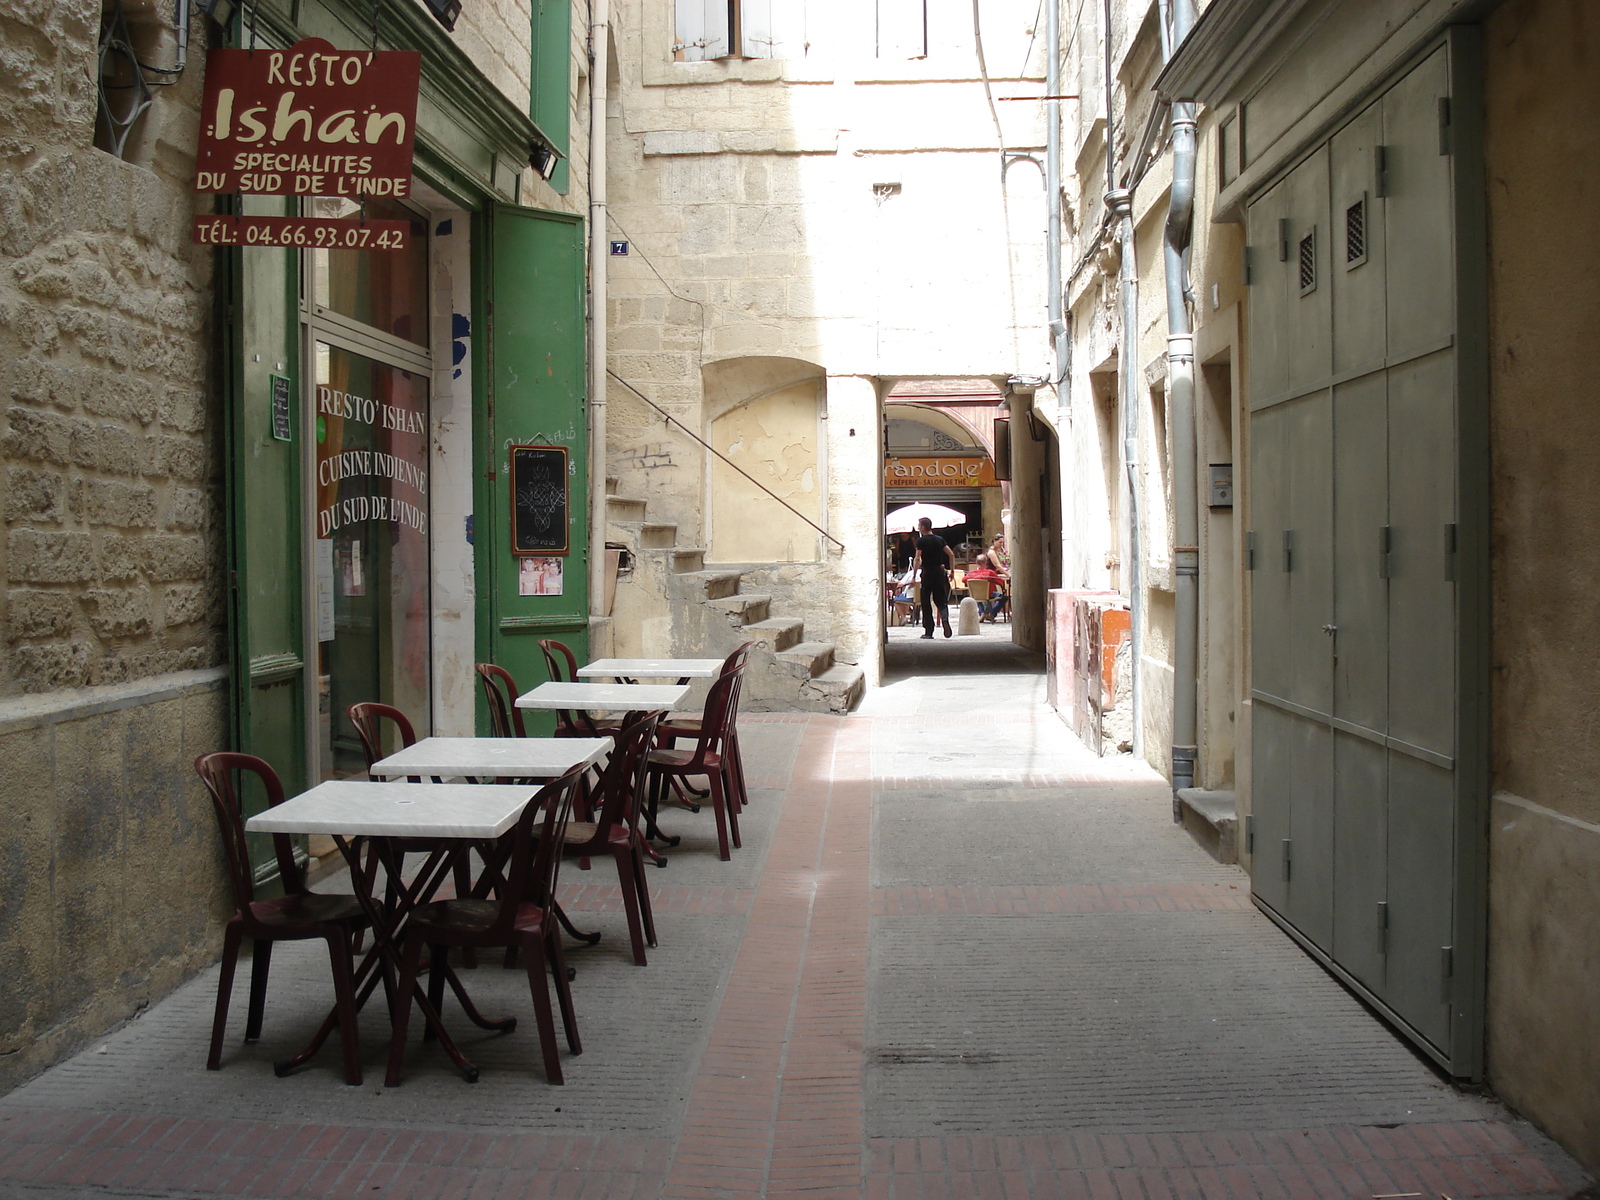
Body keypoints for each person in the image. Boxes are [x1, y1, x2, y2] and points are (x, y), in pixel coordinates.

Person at [911, 516, 954, 639]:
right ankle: (945, 619)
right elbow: (951, 554)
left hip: (928, 572)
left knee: (925, 601)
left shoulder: (921, 541)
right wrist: (952, 571)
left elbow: (918, 558)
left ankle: (929, 631)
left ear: (923, 527)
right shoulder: (940, 539)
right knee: (941, 600)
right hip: (939, 572)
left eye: (919, 525)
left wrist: (914, 575)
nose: (918, 527)